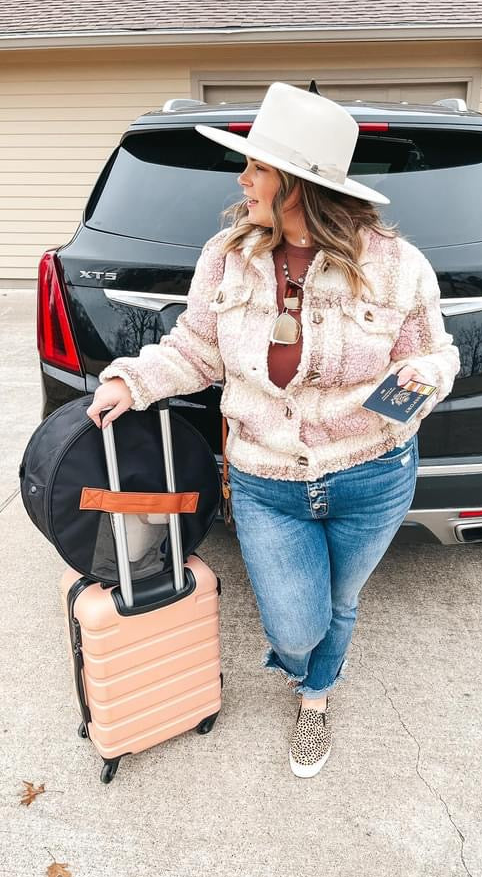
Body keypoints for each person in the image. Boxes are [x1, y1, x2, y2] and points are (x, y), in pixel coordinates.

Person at [87, 82, 461, 778]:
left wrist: (428, 379)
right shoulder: (228, 257)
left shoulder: (395, 265)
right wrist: (130, 381)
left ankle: (316, 698)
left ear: (297, 184)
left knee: (342, 601)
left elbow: (431, 353)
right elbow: (196, 349)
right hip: (266, 480)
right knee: (297, 623)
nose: (243, 179)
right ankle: (303, 665)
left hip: (372, 472)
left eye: (257, 167)